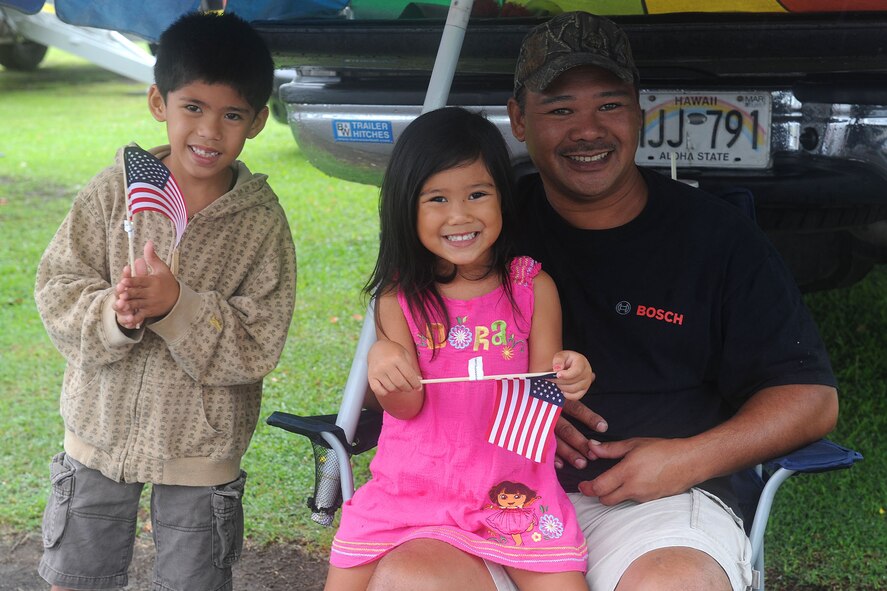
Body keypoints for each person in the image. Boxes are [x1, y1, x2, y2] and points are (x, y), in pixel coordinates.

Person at [369, 11, 839, 591]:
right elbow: (406, 360)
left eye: (609, 106)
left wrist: (686, 459)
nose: (587, 130)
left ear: (639, 111)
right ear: (518, 119)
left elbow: (811, 399)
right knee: (413, 582)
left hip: (660, 506)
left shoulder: (716, 238)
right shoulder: (478, 224)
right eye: (560, 109)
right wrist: (399, 363)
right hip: (485, 491)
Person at [33, 12, 296, 591]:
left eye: (231, 115)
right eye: (193, 108)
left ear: (256, 122)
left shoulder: (260, 223)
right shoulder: (117, 190)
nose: (209, 131)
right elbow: (57, 285)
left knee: (193, 582)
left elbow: (259, 343)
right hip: (98, 432)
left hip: (202, 448)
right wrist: (114, 315)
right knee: (77, 577)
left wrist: (178, 308)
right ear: (159, 102)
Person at [324, 107, 594, 591]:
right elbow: (405, 407)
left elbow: (543, 399)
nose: (460, 215)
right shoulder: (398, 297)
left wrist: (569, 375)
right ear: (408, 207)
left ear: (502, 199)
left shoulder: (533, 288)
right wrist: (382, 362)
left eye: (477, 194)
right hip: (412, 490)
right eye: (437, 199)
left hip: (515, 491)